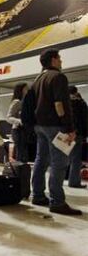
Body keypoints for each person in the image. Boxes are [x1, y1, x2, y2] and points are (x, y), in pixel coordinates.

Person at [31, 48, 81, 215]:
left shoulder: (38, 79)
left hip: (39, 126)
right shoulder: (58, 77)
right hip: (55, 126)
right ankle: (57, 202)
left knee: (41, 160)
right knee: (59, 163)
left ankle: (37, 195)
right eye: (59, 58)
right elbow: (60, 104)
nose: (61, 61)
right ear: (53, 60)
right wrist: (69, 128)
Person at [68, 86, 88, 188]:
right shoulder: (80, 103)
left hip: (64, 134)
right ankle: (74, 182)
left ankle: (61, 180)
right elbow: (85, 120)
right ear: (76, 92)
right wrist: (85, 135)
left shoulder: (64, 103)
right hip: (77, 133)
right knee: (76, 159)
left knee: (62, 158)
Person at [7, 82, 29, 162]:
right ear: (21, 90)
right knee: (20, 153)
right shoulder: (16, 102)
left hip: (23, 130)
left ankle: (22, 172)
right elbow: (9, 117)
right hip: (18, 130)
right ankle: (19, 172)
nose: (27, 90)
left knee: (23, 153)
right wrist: (20, 121)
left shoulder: (24, 102)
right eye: (26, 88)